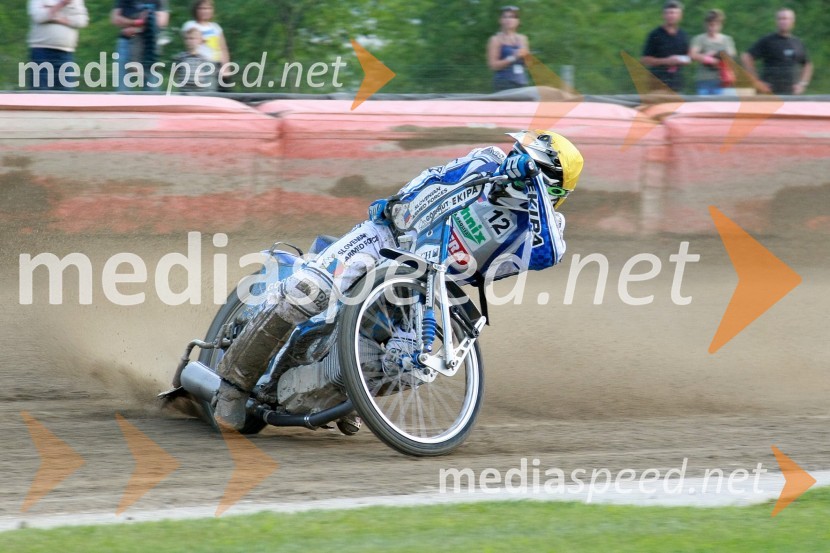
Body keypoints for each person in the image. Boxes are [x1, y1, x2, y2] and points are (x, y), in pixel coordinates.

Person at [212, 130, 584, 430]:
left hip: (429, 284)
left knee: (410, 365)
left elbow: (548, 252)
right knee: (305, 293)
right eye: (517, 150)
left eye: (526, 158)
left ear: (550, 186)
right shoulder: (487, 160)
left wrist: (532, 185)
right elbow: (436, 176)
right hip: (388, 237)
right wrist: (396, 200)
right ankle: (232, 386)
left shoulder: (545, 231)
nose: (512, 158)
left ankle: (348, 396)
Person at [742, 8, 812, 95]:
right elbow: (746, 57)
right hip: (770, 93)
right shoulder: (768, 41)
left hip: (792, 94)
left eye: (786, 18)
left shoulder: (797, 43)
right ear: (776, 21)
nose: (783, 21)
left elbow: (807, 64)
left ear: (793, 22)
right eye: (780, 18)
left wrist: (802, 84)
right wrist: (757, 81)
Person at [27, 0, 89, 91]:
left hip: (65, 54)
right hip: (41, 52)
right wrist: (62, 4)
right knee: (39, 92)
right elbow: (38, 16)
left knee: (66, 95)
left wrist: (55, 16)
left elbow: (82, 20)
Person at [110, 0, 170, 91]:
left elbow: (162, 21)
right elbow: (115, 19)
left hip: (150, 45)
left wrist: (136, 29)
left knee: (152, 91)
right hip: (126, 44)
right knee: (123, 91)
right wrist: (138, 22)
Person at [641, 0, 691, 92]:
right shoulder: (655, 34)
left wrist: (680, 59)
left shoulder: (683, 35)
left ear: (680, 16)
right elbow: (645, 59)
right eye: (669, 13)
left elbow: (688, 58)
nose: (671, 16)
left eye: (674, 13)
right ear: (663, 15)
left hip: (677, 83)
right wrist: (666, 61)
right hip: (657, 83)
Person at [690, 9, 737, 95]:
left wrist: (717, 55)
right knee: (705, 107)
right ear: (705, 24)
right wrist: (708, 58)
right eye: (710, 24)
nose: (712, 27)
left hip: (724, 80)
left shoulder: (727, 40)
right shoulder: (699, 39)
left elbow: (731, 56)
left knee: (726, 107)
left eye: (715, 24)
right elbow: (692, 55)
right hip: (705, 80)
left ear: (720, 25)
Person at [487, 5, 530, 92]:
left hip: (521, 82)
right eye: (505, 17)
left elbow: (528, 64)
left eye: (512, 17)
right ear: (500, 20)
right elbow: (493, 65)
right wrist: (512, 57)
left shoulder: (523, 38)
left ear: (518, 21)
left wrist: (526, 57)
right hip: (503, 83)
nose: (509, 20)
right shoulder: (495, 40)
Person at [182, 0, 230, 77]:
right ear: (195, 10)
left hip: (216, 66)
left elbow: (223, 49)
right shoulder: (190, 25)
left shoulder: (216, 27)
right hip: (198, 65)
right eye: (201, 8)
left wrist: (225, 67)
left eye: (208, 8)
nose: (205, 11)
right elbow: (189, 46)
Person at [172, 23, 218, 92]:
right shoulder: (180, 58)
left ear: (200, 41)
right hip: (184, 92)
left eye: (192, 38)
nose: (189, 41)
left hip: (199, 93)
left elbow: (207, 79)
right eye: (187, 39)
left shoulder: (203, 59)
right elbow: (176, 74)